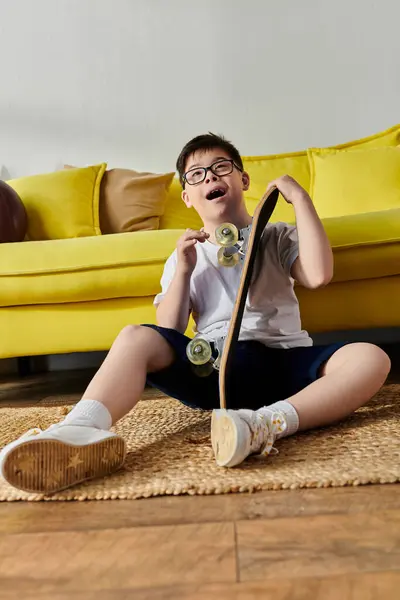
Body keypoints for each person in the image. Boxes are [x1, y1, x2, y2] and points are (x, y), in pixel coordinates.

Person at [0, 134, 391, 493]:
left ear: (243, 180)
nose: (210, 178)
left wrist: (300, 198)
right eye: (197, 175)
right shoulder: (184, 255)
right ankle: (79, 430)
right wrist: (184, 269)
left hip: (284, 363)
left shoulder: (276, 235)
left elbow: (320, 275)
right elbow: (168, 331)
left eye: (222, 168)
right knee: (135, 335)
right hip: (215, 369)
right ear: (188, 196)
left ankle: (265, 425)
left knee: (371, 357)